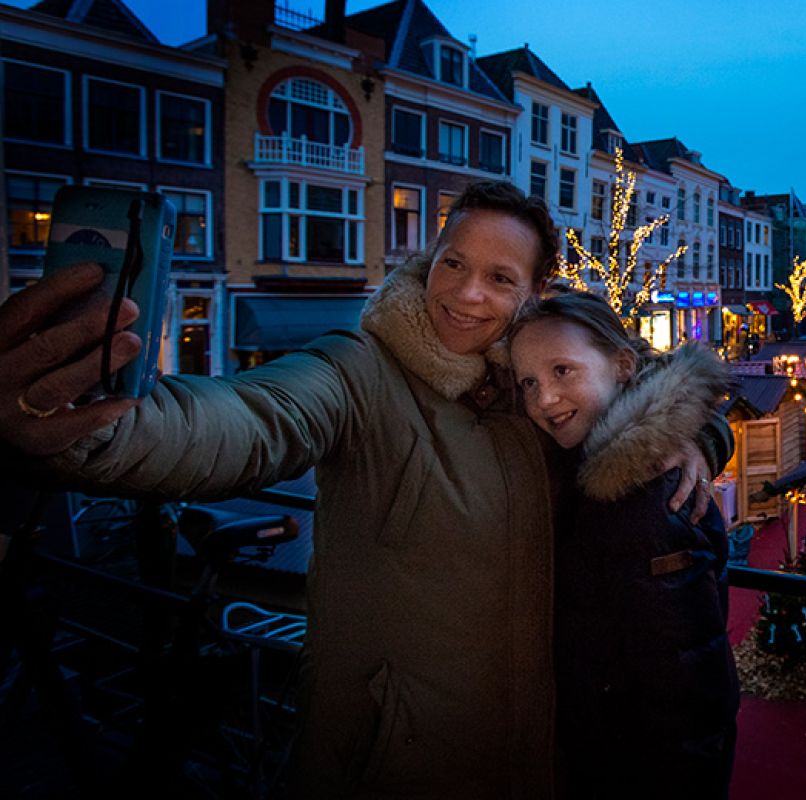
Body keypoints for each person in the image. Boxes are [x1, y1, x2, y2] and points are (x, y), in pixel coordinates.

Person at [0, 181, 723, 798]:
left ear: (533, 297)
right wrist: (97, 428)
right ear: (427, 264)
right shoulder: (360, 371)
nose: (468, 293)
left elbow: (634, 390)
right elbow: (254, 417)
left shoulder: (532, 396)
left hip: (538, 765)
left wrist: (687, 435)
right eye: (454, 263)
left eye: (500, 279)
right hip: (395, 765)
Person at [509, 292, 739, 799]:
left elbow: (687, 690)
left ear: (622, 365)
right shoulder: (592, 465)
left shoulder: (644, 500)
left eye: (562, 371)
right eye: (529, 382)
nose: (543, 398)